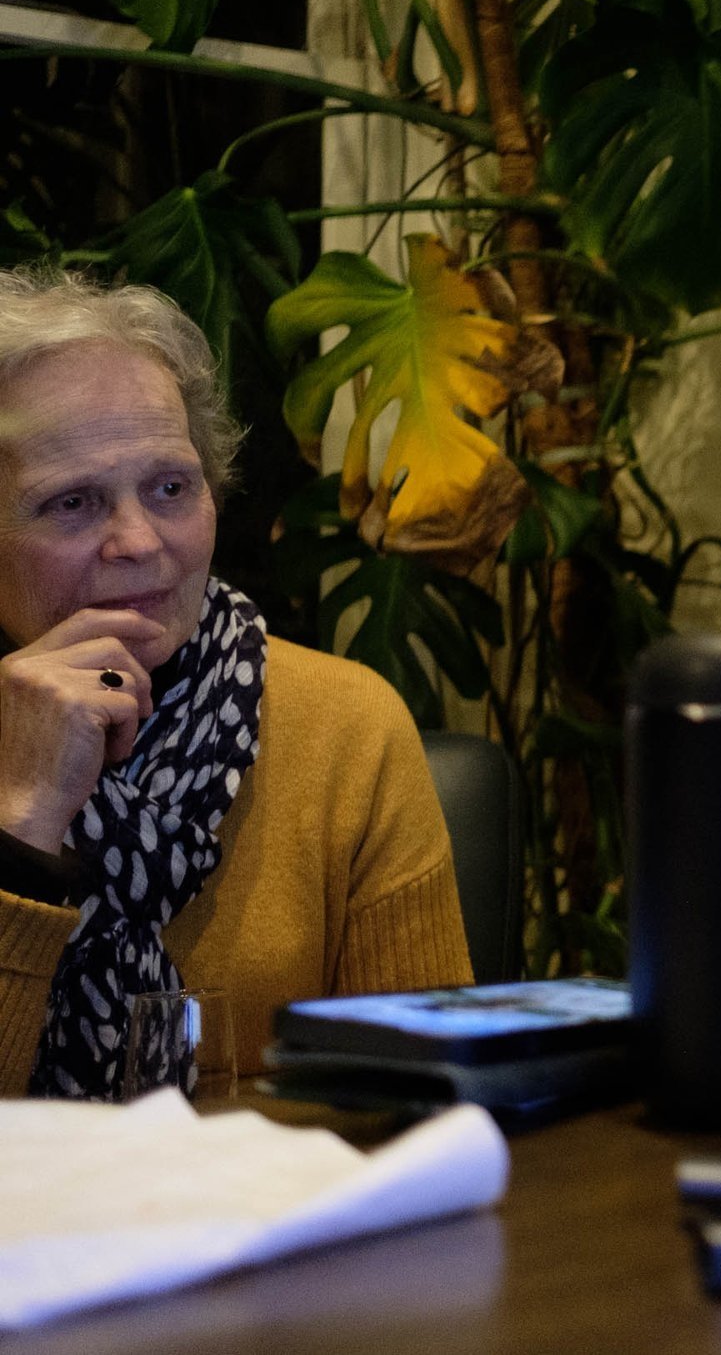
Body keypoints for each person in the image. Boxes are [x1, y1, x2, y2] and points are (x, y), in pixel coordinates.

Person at [0, 269, 471, 1097]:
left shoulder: (346, 729)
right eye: (72, 502)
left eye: (170, 487)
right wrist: (24, 822)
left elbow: (425, 1108)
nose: (139, 540)